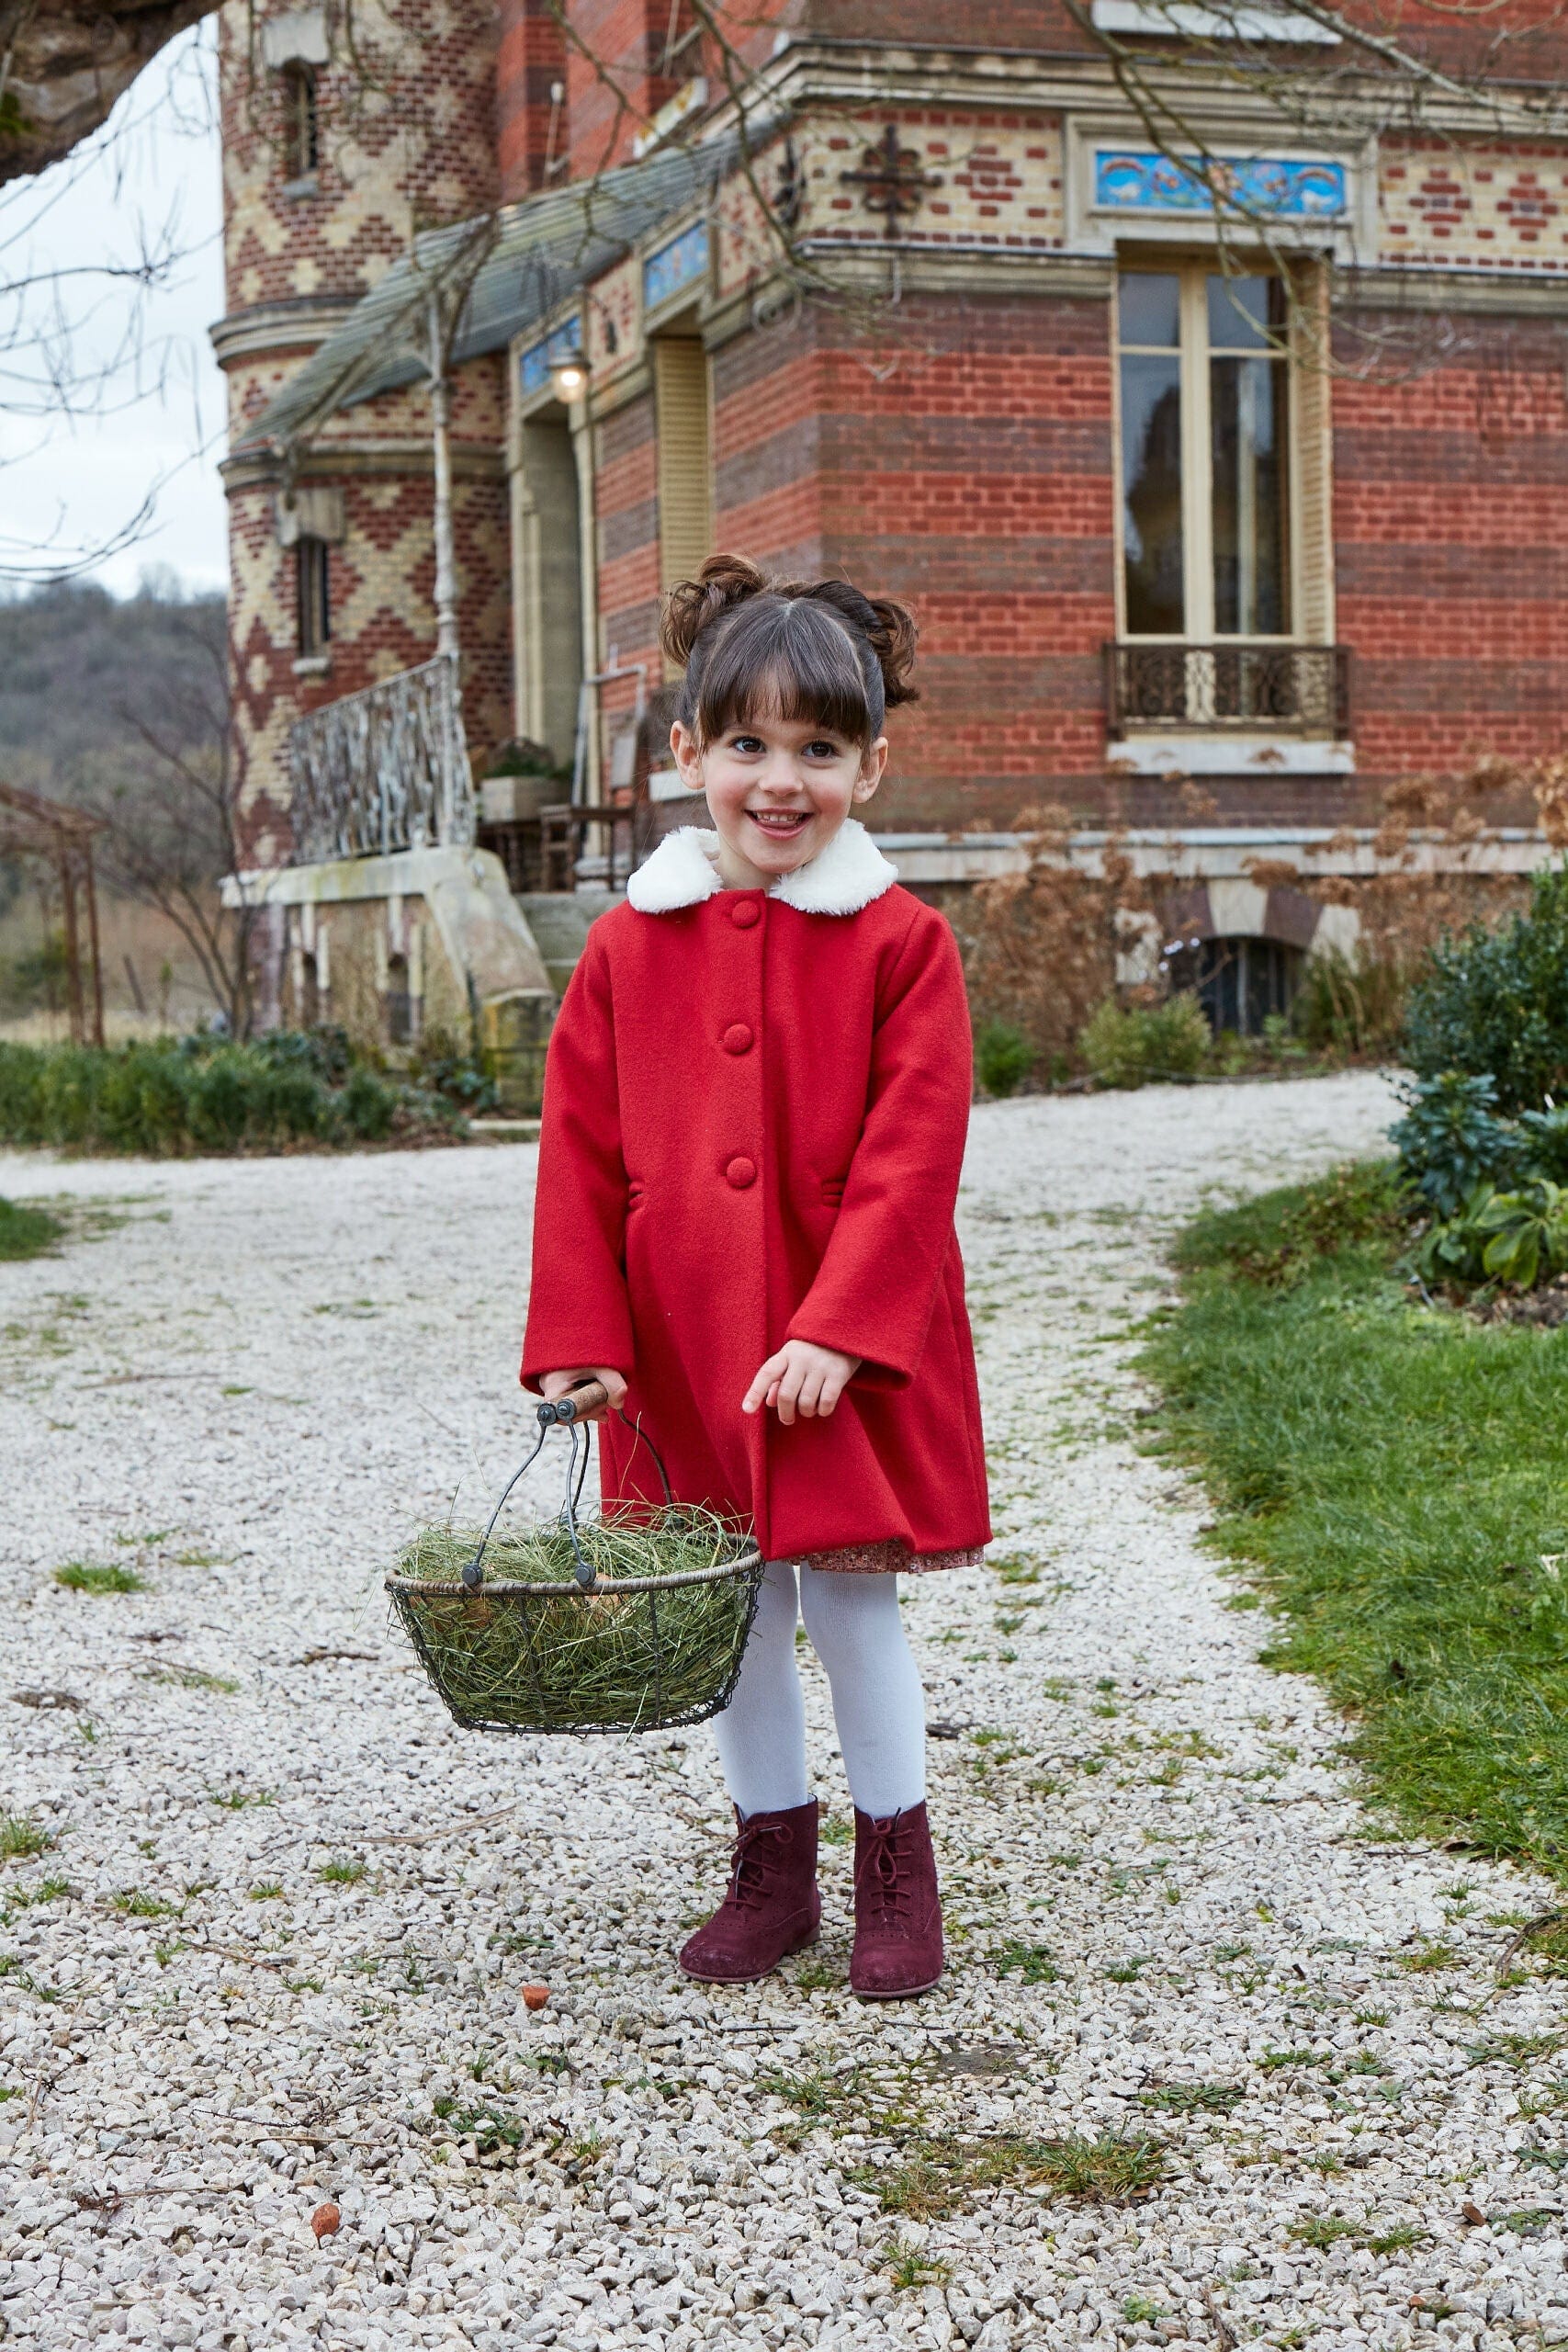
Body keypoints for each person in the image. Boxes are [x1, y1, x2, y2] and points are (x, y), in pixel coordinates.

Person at [521, 554, 989, 1999]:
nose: (780, 782)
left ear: (872, 765)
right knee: (733, 1612)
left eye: (819, 751)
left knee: (852, 1608)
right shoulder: (623, 948)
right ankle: (769, 1866)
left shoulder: (904, 945)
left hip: (842, 1351)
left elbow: (917, 1162)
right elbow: (579, 1157)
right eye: (746, 746)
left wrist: (844, 1333)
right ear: (686, 756)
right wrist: (579, 1342)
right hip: (680, 1345)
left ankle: (896, 1870)